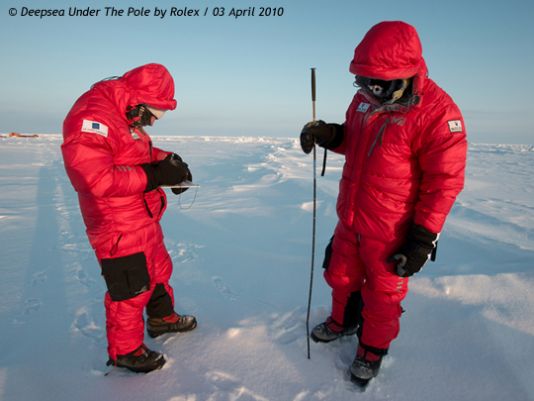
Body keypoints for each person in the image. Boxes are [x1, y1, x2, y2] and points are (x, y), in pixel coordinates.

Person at [300, 21, 467, 387]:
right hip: (352, 215)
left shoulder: (439, 114)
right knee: (339, 274)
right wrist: (331, 135)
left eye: (378, 86)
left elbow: (445, 183)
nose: (368, 94)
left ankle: (372, 349)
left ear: (405, 76)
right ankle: (343, 321)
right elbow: (355, 141)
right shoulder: (364, 99)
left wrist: (423, 238)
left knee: (383, 295)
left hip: (392, 229)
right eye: (363, 83)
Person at [62, 63, 197, 373]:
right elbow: (94, 179)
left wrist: (168, 162)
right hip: (115, 222)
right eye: (153, 113)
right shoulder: (91, 116)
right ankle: (127, 351)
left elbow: (134, 151)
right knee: (131, 288)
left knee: (159, 269)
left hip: (141, 213)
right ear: (137, 99)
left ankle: (162, 319)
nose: (154, 121)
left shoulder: (123, 113)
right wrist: (153, 176)